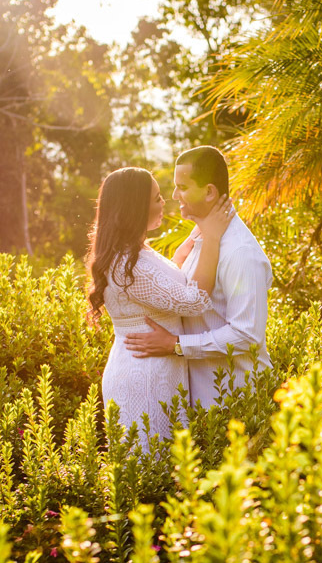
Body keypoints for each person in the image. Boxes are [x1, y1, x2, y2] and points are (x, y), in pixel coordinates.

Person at [86, 167, 234, 449]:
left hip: (154, 367)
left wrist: (195, 234)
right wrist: (212, 238)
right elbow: (194, 301)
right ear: (135, 208)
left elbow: (159, 290)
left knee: (165, 467)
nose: (164, 201)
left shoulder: (133, 251)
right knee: (150, 469)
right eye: (156, 198)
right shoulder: (128, 265)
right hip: (143, 376)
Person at [124, 146, 273, 409]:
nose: (173, 195)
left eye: (182, 187)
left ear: (209, 192)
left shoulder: (240, 252)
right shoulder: (201, 239)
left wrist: (176, 345)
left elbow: (247, 335)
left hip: (237, 402)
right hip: (205, 403)